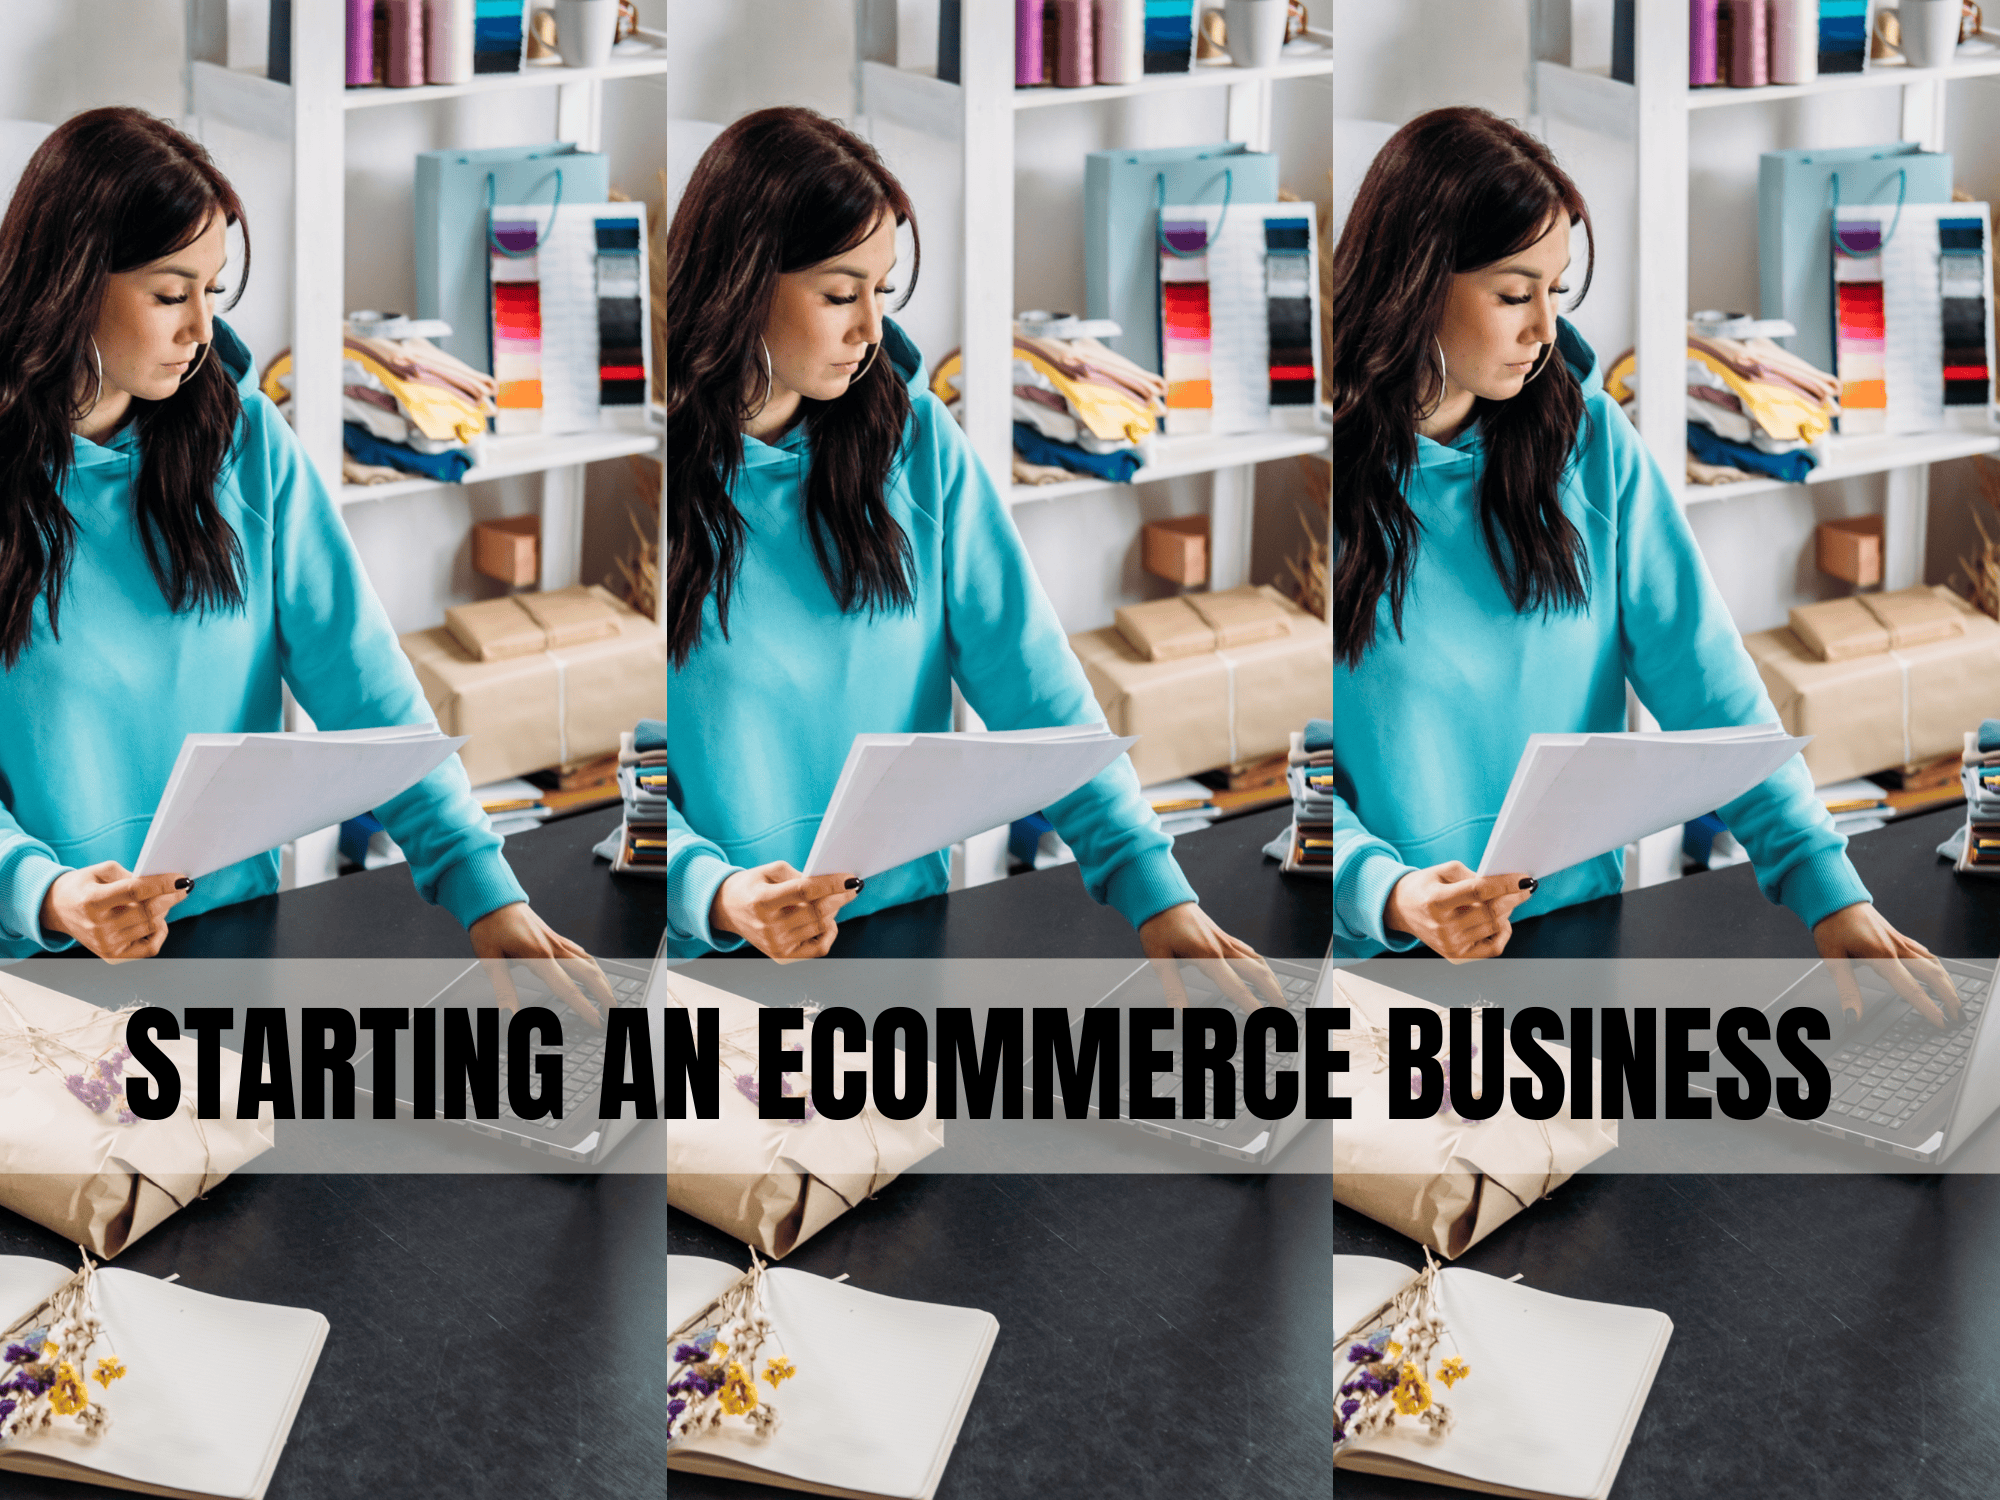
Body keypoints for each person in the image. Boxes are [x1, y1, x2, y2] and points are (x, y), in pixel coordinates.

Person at [1328, 106, 1957, 1027]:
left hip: (1577, 955)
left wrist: (1831, 891)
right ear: (1418, 279)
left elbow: (1712, 692)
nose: (1546, 327)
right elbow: (1300, 789)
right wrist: (1391, 891)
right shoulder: (1325, 486)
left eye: (1558, 290)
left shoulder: (1590, 445)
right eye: (1514, 294)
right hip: (1383, 978)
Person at [0, 108, 610, 1021]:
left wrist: (487, 890)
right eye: (172, 294)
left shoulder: (247, 445)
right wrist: (50, 894)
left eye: (214, 290)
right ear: (71, 281)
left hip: (234, 953)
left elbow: (369, 692)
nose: (203, 327)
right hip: (40, 978)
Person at [665, 106, 1281, 1010]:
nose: (871, 329)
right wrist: (713, 892)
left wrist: (1155, 890)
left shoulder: (917, 442)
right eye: (842, 294)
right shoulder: (663, 482)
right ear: (740, 281)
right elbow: (636, 780)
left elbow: (1039, 693)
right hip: (706, 971)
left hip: (902, 951)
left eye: (885, 291)